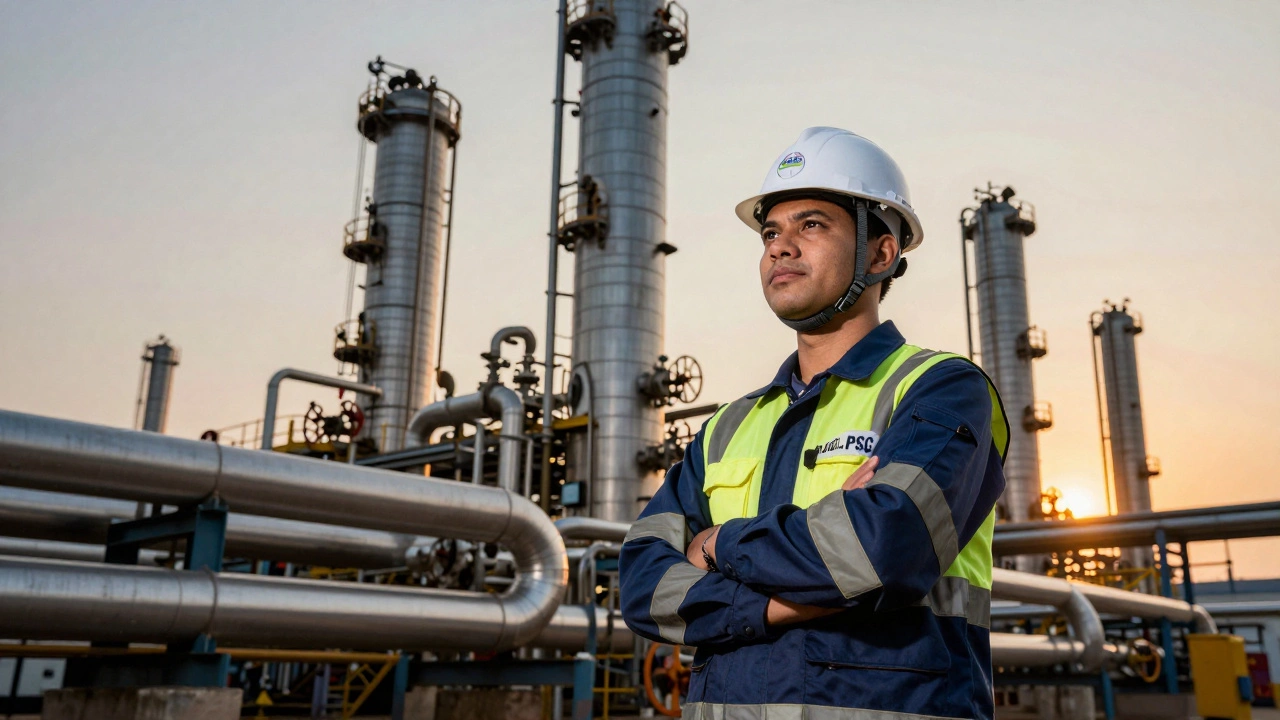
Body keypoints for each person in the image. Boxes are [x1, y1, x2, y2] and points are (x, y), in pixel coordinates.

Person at [619, 127, 1010, 719]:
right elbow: (643, 586)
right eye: (771, 232)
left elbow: (886, 549)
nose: (780, 247)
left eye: (812, 225)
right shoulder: (728, 426)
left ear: (882, 253)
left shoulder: (941, 388)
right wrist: (795, 591)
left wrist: (716, 543)